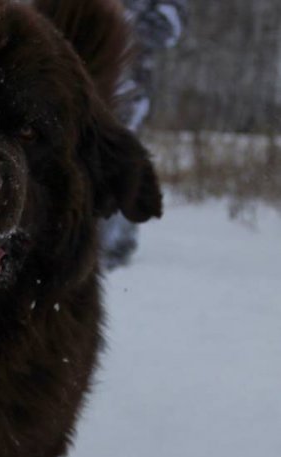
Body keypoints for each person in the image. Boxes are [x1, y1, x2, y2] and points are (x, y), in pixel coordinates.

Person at [102, 0, 188, 269]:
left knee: (117, 161)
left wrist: (120, 18)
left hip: (128, 92)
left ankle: (113, 245)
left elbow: (168, 28)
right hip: (81, 80)